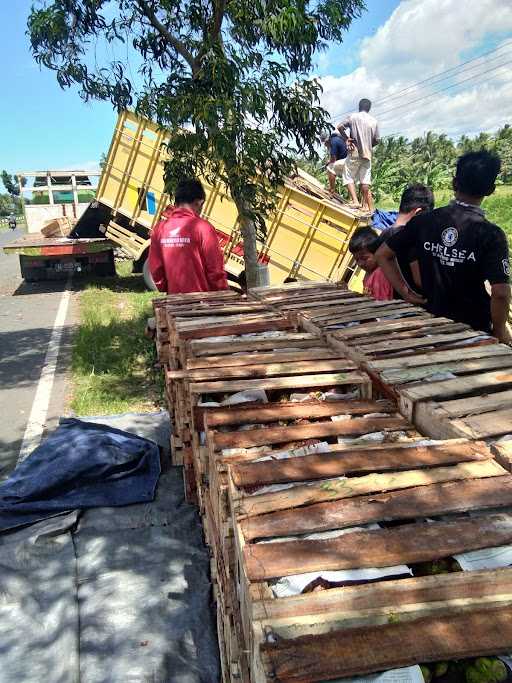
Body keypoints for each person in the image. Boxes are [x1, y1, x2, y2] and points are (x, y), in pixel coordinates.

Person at [376, 151, 511, 343]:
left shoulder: (424, 221)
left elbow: (383, 255)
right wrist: (500, 332)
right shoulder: (491, 234)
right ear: (490, 189)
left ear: (454, 183)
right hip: (472, 332)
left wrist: (406, 292)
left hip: (431, 325)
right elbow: (501, 293)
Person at [149, 178, 228, 294]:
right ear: (199, 202)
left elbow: (156, 270)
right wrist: (222, 293)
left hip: (174, 302)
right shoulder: (203, 228)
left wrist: (168, 288)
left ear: (176, 203)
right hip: (202, 304)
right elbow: (215, 270)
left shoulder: (160, 229)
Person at [381, 183, 435, 295]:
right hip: (408, 304)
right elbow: (419, 280)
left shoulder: (384, 234)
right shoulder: (410, 238)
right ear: (419, 212)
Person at [337, 99, 380, 212]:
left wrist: (347, 139)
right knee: (365, 180)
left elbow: (340, 127)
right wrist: (369, 145)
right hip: (368, 154)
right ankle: (365, 205)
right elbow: (376, 140)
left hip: (355, 150)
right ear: (369, 108)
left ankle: (355, 201)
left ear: (359, 106)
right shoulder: (374, 121)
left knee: (348, 175)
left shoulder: (353, 117)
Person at [349, 226, 393, 301]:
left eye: (364, 258)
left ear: (377, 252)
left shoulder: (379, 275)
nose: (360, 264)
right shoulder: (369, 273)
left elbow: (383, 305)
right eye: (356, 260)